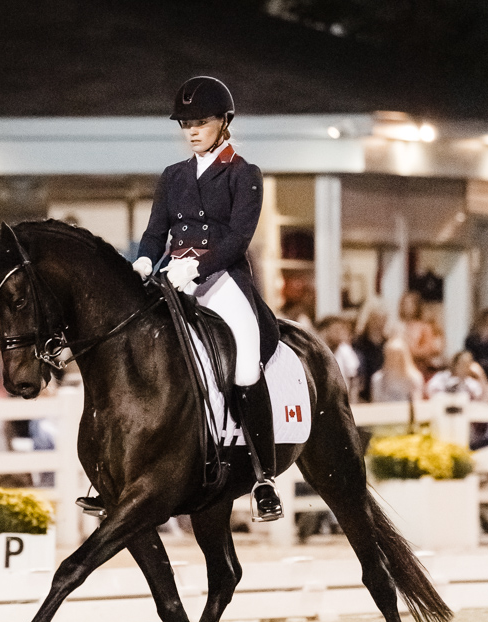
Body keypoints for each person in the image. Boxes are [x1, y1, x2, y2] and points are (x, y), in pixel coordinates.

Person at [131, 76, 282, 520]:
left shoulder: (243, 174)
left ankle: (263, 477)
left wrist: (197, 266)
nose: (192, 130)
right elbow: (156, 230)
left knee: (247, 358)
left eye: (201, 122)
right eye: (186, 124)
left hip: (220, 280)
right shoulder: (173, 175)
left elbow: (238, 237)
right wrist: (144, 261)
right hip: (172, 277)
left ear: (223, 122)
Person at [353, 300, 390, 402]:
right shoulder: (358, 343)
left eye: (382, 319)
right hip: (363, 393)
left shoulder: (387, 344)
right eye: (376, 319)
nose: (379, 323)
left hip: (383, 395)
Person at [316, 315, 360, 401]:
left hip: (341, 399)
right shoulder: (317, 351)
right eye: (336, 330)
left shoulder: (346, 351)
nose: (339, 333)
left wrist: (352, 401)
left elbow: (353, 379)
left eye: (341, 330)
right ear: (326, 330)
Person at [370, 338, 424, 403]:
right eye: (391, 354)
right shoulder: (378, 379)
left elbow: (416, 403)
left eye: (398, 355)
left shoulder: (414, 379)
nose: (394, 358)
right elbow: (376, 404)